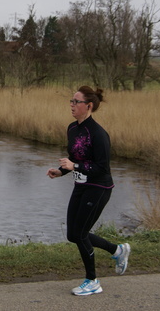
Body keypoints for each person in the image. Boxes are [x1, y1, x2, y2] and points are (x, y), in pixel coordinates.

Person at [47, 85, 130, 296]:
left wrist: (73, 167)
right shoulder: (72, 129)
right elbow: (76, 159)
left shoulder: (99, 134)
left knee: (81, 233)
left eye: (76, 102)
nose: (72, 105)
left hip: (99, 187)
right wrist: (61, 171)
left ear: (89, 106)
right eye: (71, 101)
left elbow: (102, 167)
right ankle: (117, 250)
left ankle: (92, 281)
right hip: (81, 186)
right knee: (73, 234)